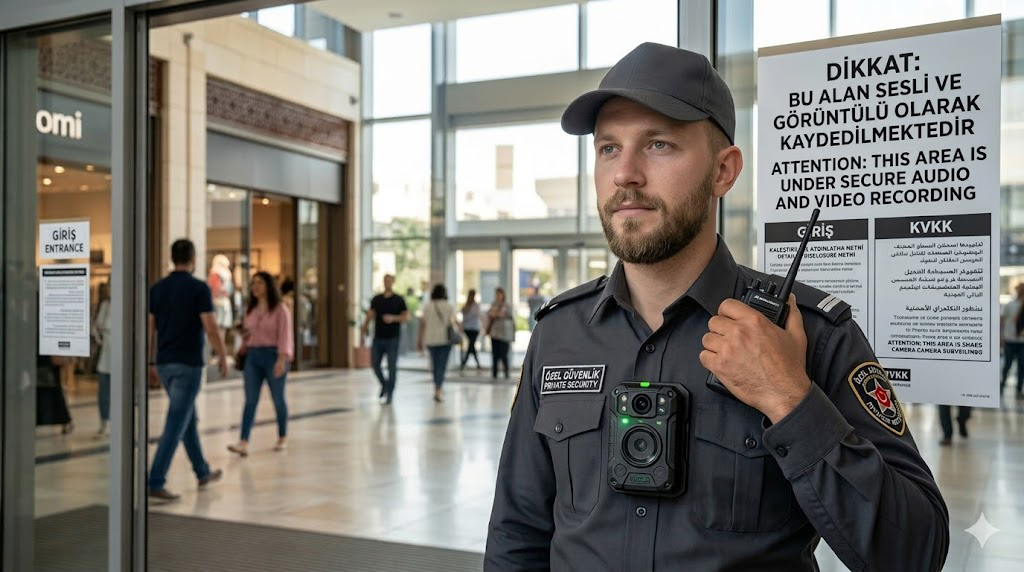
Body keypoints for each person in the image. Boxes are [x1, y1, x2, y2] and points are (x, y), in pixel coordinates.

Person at [485, 43, 948, 571]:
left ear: (724, 172)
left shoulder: (807, 332)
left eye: (658, 145)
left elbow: (917, 552)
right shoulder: (560, 332)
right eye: (609, 149)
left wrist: (789, 399)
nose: (625, 174)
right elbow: (517, 534)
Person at [147, 239, 229, 501]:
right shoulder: (199, 289)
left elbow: (151, 328)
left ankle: (202, 471)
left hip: (164, 363)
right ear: (193, 258)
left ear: (172, 258)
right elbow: (211, 326)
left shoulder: (158, 288)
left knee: (187, 419)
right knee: (176, 423)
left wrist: (151, 361)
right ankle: (156, 480)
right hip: (188, 364)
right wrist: (223, 355)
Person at [228, 272, 293, 456]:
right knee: (250, 400)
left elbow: (285, 336)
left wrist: (282, 359)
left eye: (259, 283)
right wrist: (243, 342)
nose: (255, 287)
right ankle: (243, 441)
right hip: (253, 356)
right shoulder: (251, 309)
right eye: (253, 283)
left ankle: (282, 436)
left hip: (274, 356)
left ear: (268, 286)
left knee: (278, 399)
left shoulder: (281, 309)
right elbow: (249, 333)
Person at [362, 274, 409, 404]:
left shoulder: (399, 299)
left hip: (392, 338)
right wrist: (364, 329)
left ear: (393, 282)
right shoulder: (377, 299)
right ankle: (384, 385)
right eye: (385, 281)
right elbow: (370, 315)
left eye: (389, 281)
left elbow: (406, 317)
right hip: (378, 337)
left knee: (392, 366)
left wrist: (393, 318)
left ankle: (390, 393)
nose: (387, 283)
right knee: (375, 364)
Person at [419, 283, 460, 403]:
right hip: (444, 340)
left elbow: (423, 324)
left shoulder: (428, 306)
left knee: (435, 365)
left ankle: (437, 386)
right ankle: (438, 388)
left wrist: (420, 340)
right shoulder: (448, 306)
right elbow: (455, 321)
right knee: (441, 366)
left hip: (431, 340)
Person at [92, 282, 111, 436]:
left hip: (118, 357)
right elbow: (96, 326)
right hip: (105, 356)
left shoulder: (127, 303)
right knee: (103, 392)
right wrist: (100, 339)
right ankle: (104, 422)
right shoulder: (105, 305)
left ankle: (116, 422)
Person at [1000, 282, 1024, 398]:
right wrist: (1001, 337)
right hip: (1010, 339)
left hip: (1022, 342)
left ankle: (1019, 389)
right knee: (1007, 364)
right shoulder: (1010, 305)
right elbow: (1003, 321)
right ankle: (1001, 386)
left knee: (1022, 366)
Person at [486, 287, 514, 379]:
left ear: (503, 295)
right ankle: (494, 373)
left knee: (503, 354)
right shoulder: (493, 304)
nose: (498, 296)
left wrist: (497, 314)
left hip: (504, 333)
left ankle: (506, 371)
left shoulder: (507, 305)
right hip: (494, 333)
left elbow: (508, 316)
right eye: (496, 294)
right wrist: (496, 314)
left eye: (499, 294)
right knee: (494, 354)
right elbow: (489, 314)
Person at [460, 289, 483, 371]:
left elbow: (476, 316)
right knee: (471, 346)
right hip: (468, 328)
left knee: (471, 346)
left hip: (474, 328)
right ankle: (476, 364)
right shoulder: (466, 305)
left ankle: (464, 363)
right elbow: (465, 317)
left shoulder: (475, 305)